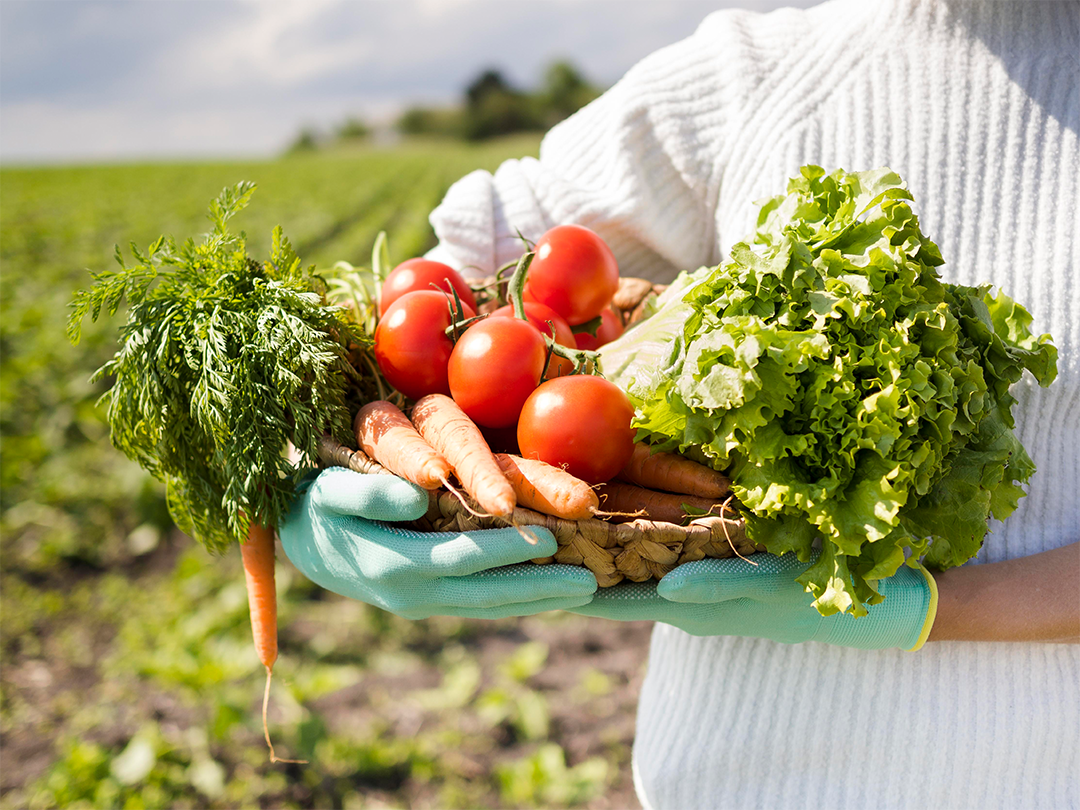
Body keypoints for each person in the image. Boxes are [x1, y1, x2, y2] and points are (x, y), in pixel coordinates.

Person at [280, 0, 1080, 806]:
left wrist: (917, 607)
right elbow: (432, 295)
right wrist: (304, 469)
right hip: (731, 782)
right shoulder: (752, 74)